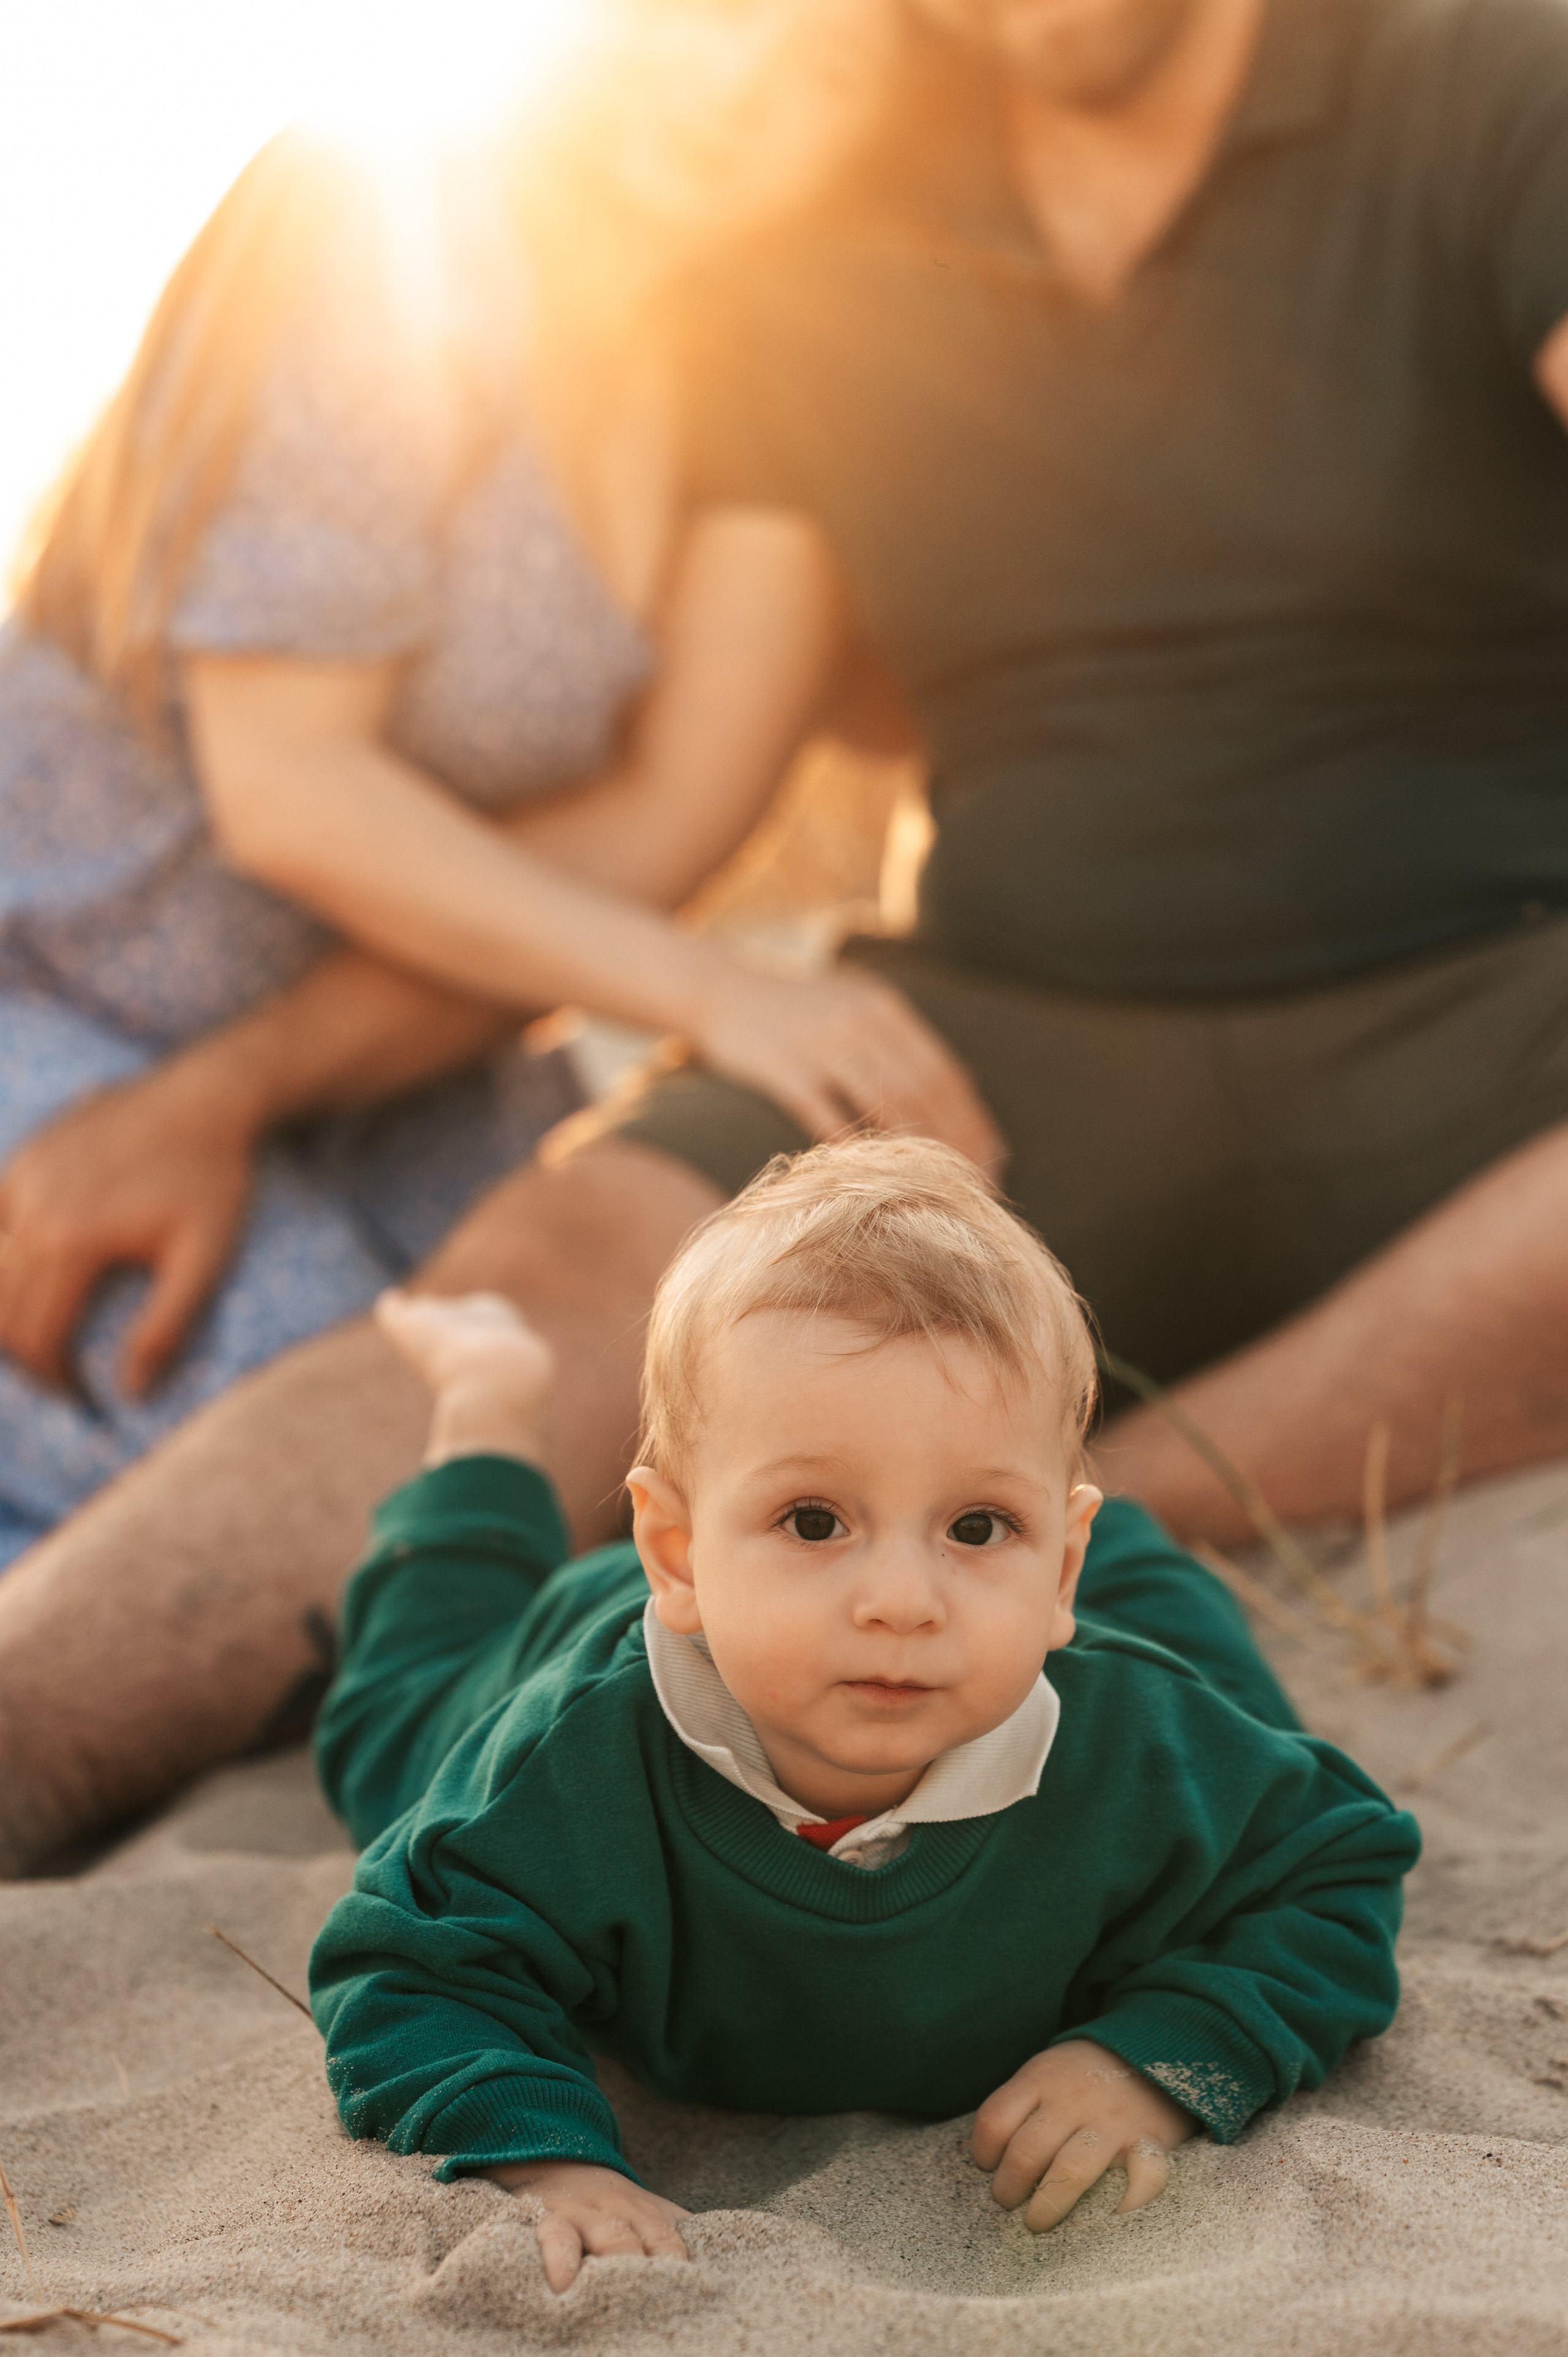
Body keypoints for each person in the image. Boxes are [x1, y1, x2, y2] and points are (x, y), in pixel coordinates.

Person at [7, 0, 1568, 1871]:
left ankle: (1051, 1536)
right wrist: (235, 1082)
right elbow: (676, 812)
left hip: (1496, 992)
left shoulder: (1490, 76)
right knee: (588, 1252)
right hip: (1006, 1024)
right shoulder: (838, 228)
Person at [0, 3, 990, 1572]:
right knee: (349, 1467)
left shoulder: (749, 394)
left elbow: (657, 822)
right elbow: (291, 790)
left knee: (614, 1434)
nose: (739, 84)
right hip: (48, 992)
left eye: (827, 68)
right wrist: (718, 994)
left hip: (393, 1072)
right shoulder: (390, 216)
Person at [307, 1136, 1419, 2293]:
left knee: (1203, 1692)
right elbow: (406, 1967)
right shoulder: (563, 1755)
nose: (899, 1603)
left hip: (1076, 1642)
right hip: (570, 1645)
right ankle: (488, 1411)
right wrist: (544, 2161)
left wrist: (1157, 2059)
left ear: (1056, 1567)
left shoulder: (1135, 1732)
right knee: (384, 1735)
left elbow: (1337, 1872)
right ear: (676, 1553)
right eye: (814, 1521)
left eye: (976, 1526)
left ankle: (1088, 1545)